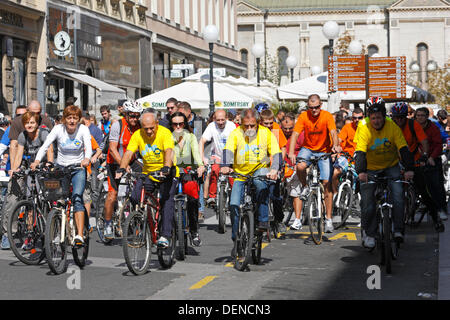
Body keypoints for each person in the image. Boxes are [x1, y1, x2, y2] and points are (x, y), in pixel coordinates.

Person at [354, 97, 415, 249]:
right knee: (368, 203)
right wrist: (361, 172)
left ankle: (398, 230)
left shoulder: (392, 126)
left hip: (391, 166)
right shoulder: (363, 127)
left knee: (398, 196)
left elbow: (403, 149)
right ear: (370, 117)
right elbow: (360, 152)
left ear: (384, 116)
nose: (376, 121)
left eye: (379, 117)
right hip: (370, 168)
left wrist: (409, 169)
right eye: (373, 118)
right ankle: (369, 234)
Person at [220, 108, 282, 257]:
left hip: (259, 169)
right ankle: (236, 238)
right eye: (245, 126)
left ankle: (262, 221)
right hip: (240, 174)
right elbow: (228, 150)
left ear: (258, 123)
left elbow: (276, 153)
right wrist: (225, 165)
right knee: (234, 204)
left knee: (261, 183)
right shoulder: (235, 133)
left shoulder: (266, 133)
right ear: (241, 124)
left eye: (252, 126)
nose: (249, 129)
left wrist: (274, 170)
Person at [31, 105, 92, 248]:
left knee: (77, 198)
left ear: (78, 119)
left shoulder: (83, 129)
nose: (72, 121)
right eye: (69, 118)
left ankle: (79, 235)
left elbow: (88, 148)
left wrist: (87, 158)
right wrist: (37, 160)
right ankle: (59, 230)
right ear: (64, 119)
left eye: (75, 118)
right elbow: (45, 146)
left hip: (78, 168)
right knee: (59, 199)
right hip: (62, 168)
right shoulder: (58, 129)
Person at [116, 111, 178, 248]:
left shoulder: (165, 133)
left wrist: (167, 167)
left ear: (157, 123)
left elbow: (169, 151)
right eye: (146, 128)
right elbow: (128, 152)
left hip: (166, 172)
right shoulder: (138, 135)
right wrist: (122, 167)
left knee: (166, 202)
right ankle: (144, 223)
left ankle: (165, 235)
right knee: (135, 197)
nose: (149, 131)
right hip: (148, 173)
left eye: (152, 128)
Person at [288, 94, 342, 233]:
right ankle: (306, 186)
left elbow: (333, 133)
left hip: (324, 150)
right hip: (308, 149)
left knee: (326, 184)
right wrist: (292, 152)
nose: (314, 110)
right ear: (308, 107)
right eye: (311, 107)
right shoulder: (304, 116)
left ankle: (329, 219)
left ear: (320, 105)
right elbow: (294, 134)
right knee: (300, 166)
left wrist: (335, 146)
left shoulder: (327, 116)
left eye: (316, 107)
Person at [103, 100, 142, 239]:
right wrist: (123, 166)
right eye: (132, 116)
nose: (135, 119)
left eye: (137, 116)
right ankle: (107, 224)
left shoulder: (140, 126)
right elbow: (113, 149)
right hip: (115, 162)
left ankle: (137, 219)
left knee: (145, 186)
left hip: (132, 161)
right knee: (112, 195)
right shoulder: (117, 125)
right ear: (125, 114)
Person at [170, 112, 205, 246]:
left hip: (187, 170)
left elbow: (196, 152)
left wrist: (200, 166)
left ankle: (194, 231)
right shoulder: (168, 137)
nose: (178, 126)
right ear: (171, 124)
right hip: (173, 171)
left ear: (184, 124)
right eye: (175, 124)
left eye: (181, 123)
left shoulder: (190, 137)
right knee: (165, 200)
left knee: (193, 199)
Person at [415, 107, 448, 223]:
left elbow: (438, 144)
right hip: (417, 159)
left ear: (427, 116)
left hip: (432, 158)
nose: (419, 117)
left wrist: (431, 157)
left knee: (436, 185)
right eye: (417, 115)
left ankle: (441, 209)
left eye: (422, 115)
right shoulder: (413, 126)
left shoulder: (433, 127)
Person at [199, 109, 236, 207]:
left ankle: (235, 197)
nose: (220, 122)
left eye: (222, 120)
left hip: (231, 156)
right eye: (218, 120)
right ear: (214, 119)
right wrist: (202, 157)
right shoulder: (211, 126)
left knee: (233, 178)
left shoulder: (232, 126)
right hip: (217, 155)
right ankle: (212, 196)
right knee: (214, 171)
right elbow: (202, 141)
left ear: (227, 118)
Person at [259, 109, 288, 234]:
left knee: (274, 194)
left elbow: (283, 147)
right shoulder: (256, 130)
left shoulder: (276, 128)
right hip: (261, 163)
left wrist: (280, 164)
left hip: (274, 164)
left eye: (271, 123)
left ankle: (279, 219)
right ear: (261, 122)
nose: (269, 125)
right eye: (266, 123)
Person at [331, 107, 364, 196]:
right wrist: (336, 146)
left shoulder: (367, 127)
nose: (357, 120)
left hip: (361, 159)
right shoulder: (347, 127)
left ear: (363, 117)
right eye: (354, 118)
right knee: (335, 172)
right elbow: (339, 139)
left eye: (359, 118)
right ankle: (335, 195)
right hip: (347, 157)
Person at [281, 112, 305, 230]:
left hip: (294, 167)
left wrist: (300, 163)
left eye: (290, 128)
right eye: (285, 128)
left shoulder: (300, 134)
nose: (288, 130)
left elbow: (305, 150)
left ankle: (297, 219)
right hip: (280, 167)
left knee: (296, 193)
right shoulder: (277, 133)